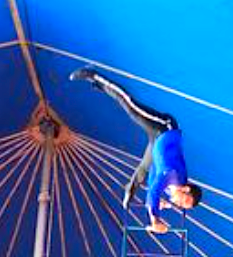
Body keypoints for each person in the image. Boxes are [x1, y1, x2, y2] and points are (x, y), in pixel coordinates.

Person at [70, 68, 202, 233]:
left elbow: (152, 176)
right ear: (186, 189)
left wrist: (159, 203)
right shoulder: (173, 176)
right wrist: (155, 218)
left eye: (182, 206)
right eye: (184, 202)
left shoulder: (170, 187)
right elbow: (154, 191)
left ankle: (128, 192)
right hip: (163, 129)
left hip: (156, 147)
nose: (179, 205)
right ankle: (94, 75)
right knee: (132, 108)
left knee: (142, 170)